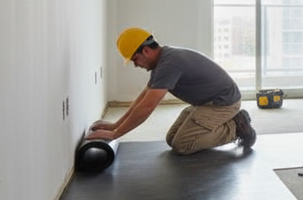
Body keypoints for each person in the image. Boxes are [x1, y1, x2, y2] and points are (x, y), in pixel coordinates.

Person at [87, 27, 256, 154]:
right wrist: (115, 126)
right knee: (171, 139)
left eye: (135, 59)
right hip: (207, 102)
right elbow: (143, 99)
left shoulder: (170, 64)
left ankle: (236, 126)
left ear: (146, 50)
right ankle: (228, 123)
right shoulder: (162, 62)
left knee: (183, 145)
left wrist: (116, 134)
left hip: (224, 103)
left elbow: (147, 107)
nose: (136, 65)